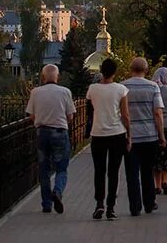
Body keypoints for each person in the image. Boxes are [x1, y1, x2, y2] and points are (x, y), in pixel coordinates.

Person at [25, 63, 75, 215]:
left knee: (44, 169)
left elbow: (31, 115)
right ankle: (58, 191)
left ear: (43, 77)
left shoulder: (35, 92)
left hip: (42, 133)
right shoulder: (65, 92)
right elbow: (70, 116)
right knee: (61, 168)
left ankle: (46, 204)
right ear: (57, 77)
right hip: (60, 132)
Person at [86, 58, 130, 221]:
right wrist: (129, 135)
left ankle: (99, 204)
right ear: (114, 72)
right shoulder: (121, 89)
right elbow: (125, 115)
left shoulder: (92, 89)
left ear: (101, 71)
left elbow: (90, 111)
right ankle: (111, 207)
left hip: (98, 134)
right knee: (114, 171)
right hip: (117, 133)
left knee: (99, 171)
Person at [122, 57, 165, 216]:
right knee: (147, 171)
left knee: (131, 173)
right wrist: (161, 135)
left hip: (129, 137)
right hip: (149, 136)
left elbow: (120, 113)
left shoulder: (123, 87)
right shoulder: (153, 87)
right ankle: (149, 203)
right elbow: (158, 112)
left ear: (130, 69)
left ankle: (135, 207)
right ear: (146, 71)